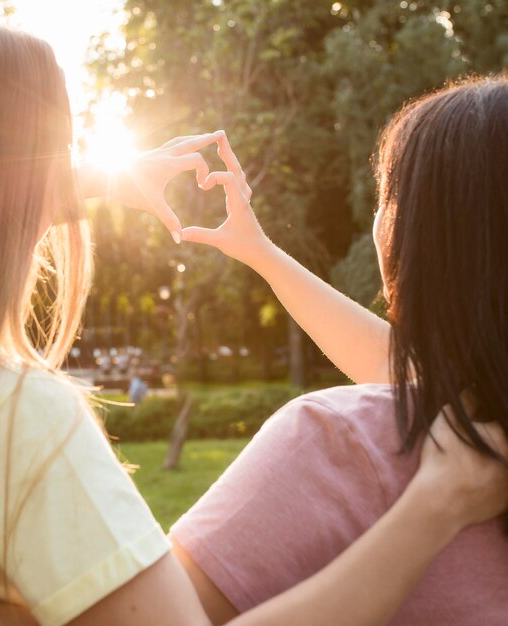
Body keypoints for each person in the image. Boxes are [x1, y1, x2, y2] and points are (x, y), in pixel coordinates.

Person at [0, 8, 505, 626]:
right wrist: (432, 507)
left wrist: (248, 247)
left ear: (412, 238)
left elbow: (424, 375)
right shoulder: (22, 419)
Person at [174, 76, 508, 625]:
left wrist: (434, 507)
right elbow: (408, 366)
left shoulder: (334, 443)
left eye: (387, 198)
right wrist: (259, 251)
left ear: (410, 238)